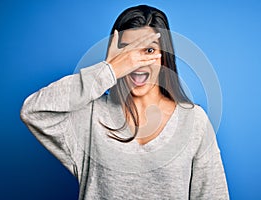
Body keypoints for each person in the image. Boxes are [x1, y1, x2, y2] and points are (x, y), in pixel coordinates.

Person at [20, 5, 229, 200]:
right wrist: (108, 70)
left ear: (164, 56)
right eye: (127, 51)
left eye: (148, 50)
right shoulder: (91, 116)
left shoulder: (193, 121)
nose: (135, 63)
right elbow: (33, 111)